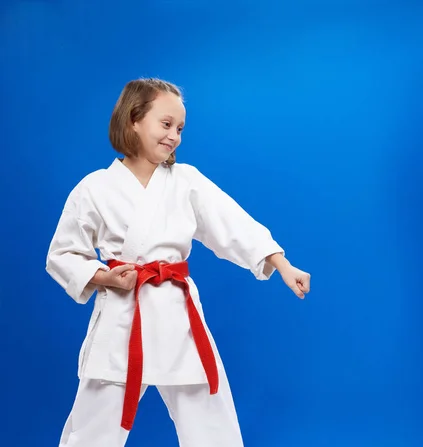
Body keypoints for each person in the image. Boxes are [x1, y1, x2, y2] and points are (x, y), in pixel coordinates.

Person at [46, 78, 311, 447]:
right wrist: (105, 277)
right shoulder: (93, 188)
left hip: (178, 318)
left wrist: (281, 263)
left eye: (180, 128)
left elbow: (231, 223)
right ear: (133, 120)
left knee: (212, 424)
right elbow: (63, 253)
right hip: (122, 322)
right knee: (92, 431)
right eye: (166, 124)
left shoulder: (186, 181)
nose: (175, 137)